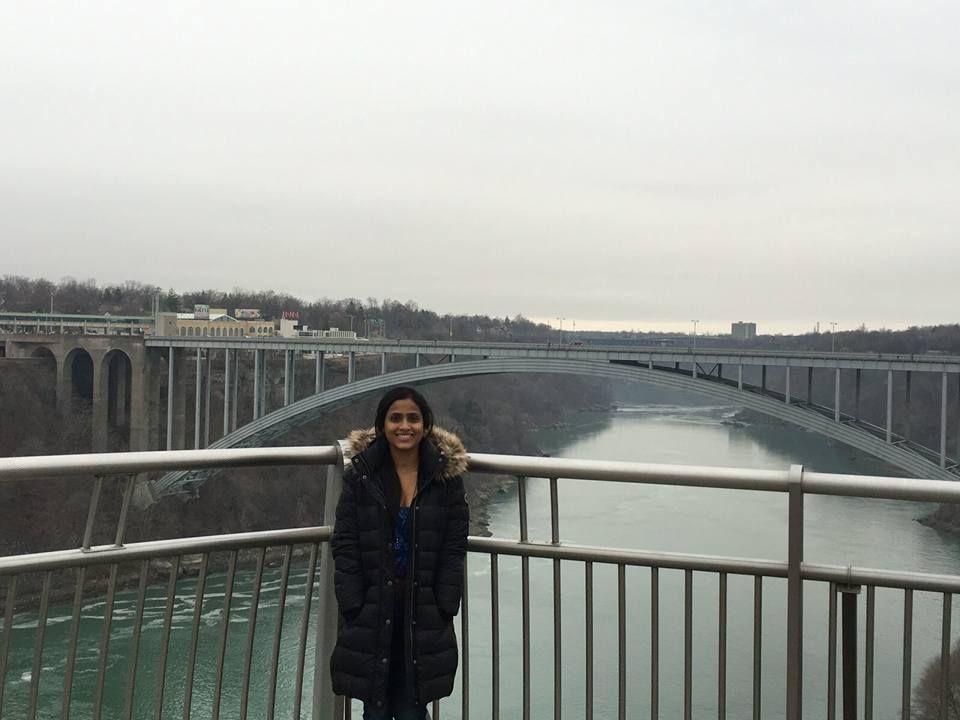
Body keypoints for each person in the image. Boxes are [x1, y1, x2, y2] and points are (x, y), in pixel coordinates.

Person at [330, 386, 469, 719]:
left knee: (413, 707)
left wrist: (445, 604)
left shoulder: (445, 479)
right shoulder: (361, 476)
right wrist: (353, 603)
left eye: (413, 418)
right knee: (375, 707)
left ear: (425, 425)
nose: (404, 426)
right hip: (374, 607)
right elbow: (345, 542)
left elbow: (453, 546)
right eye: (395, 418)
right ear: (382, 426)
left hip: (421, 610)